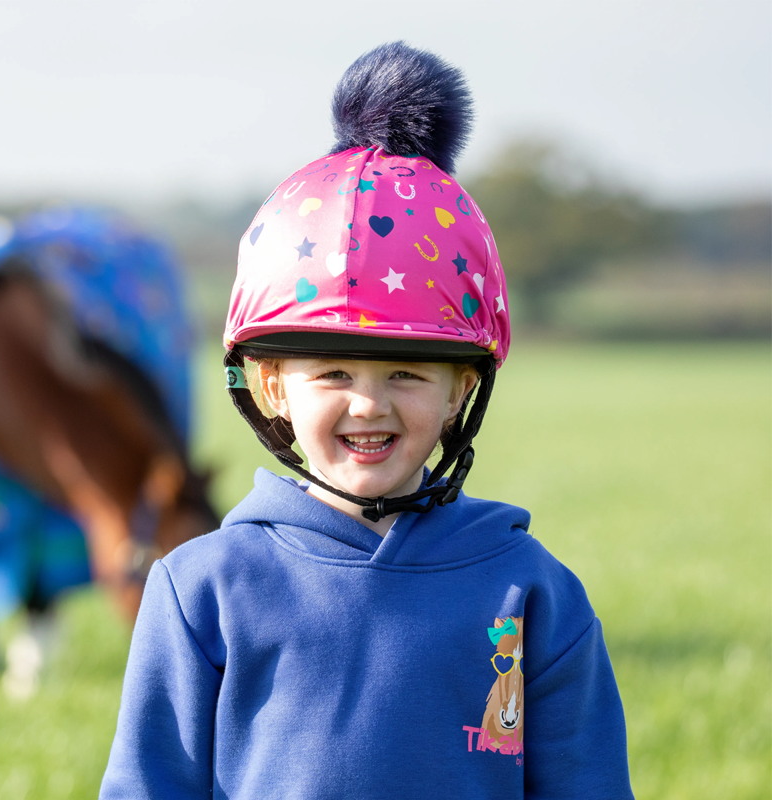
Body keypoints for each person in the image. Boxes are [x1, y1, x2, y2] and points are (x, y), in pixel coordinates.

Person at [100, 42, 634, 798]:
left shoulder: (533, 594)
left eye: (407, 373)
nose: (369, 404)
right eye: (333, 373)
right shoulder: (201, 590)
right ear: (271, 386)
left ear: (461, 391)